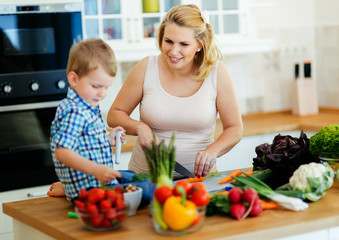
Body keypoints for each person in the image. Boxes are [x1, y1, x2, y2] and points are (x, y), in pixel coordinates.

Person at [107, 4, 243, 178]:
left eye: (184, 44)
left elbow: (235, 128)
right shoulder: (146, 67)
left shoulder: (217, 73)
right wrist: (139, 127)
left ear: (200, 45)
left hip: (199, 181)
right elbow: (114, 114)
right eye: (168, 41)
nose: (173, 51)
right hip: (147, 178)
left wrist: (212, 151)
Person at [47, 38, 128, 200]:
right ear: (74, 79)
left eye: (106, 87)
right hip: (88, 191)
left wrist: (108, 138)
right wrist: (96, 170)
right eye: (96, 86)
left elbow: (84, 141)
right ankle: (69, 190)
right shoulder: (75, 111)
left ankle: (66, 188)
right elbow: (63, 152)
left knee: (132, 180)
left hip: (96, 185)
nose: (102, 93)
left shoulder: (88, 104)